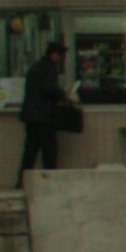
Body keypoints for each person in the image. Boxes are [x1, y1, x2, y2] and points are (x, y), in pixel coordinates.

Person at [16, 39, 74, 178]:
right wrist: (64, 94)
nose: (61, 60)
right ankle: (50, 179)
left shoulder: (36, 67)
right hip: (44, 116)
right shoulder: (49, 69)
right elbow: (49, 89)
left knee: (30, 150)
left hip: (31, 116)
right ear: (54, 54)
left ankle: (22, 180)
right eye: (60, 56)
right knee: (49, 150)